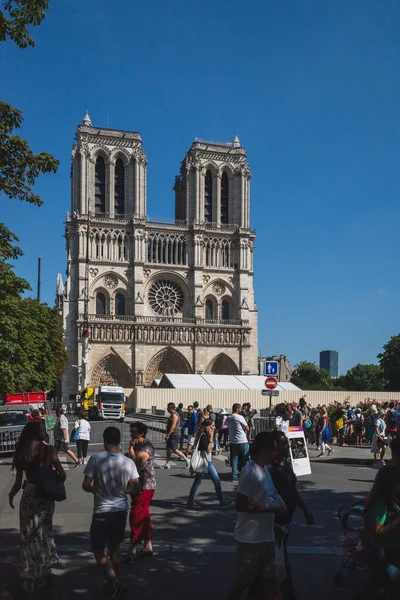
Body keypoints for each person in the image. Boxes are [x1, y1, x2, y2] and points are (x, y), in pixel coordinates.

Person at [226, 431, 287, 600]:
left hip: (266, 536)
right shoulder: (250, 472)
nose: (276, 453)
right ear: (263, 449)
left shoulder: (263, 470)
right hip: (250, 539)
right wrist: (270, 510)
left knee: (271, 580)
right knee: (243, 581)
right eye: (273, 449)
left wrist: (274, 524)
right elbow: (241, 505)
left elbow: (265, 498)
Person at [82, 426, 140, 600]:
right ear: (119, 441)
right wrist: (124, 491)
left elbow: (85, 485)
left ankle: (114, 583)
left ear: (106, 441)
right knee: (115, 548)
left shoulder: (96, 459)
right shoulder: (128, 462)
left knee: (99, 549)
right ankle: (113, 581)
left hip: (102, 510)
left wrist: (96, 489)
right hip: (121, 509)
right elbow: (135, 487)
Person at [8, 422, 65, 593]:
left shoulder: (21, 453)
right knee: (44, 533)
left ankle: (29, 577)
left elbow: (18, 483)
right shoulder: (48, 450)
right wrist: (52, 473)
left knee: (28, 536)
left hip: (29, 493)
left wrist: (11, 495)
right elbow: (62, 475)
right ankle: (47, 574)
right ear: (36, 433)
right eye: (41, 429)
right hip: (45, 497)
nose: (44, 431)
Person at [269, 431, 314, 600]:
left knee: (277, 561)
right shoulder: (270, 469)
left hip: (286, 521)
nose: (288, 446)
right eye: (284, 443)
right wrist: (272, 523)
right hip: (276, 523)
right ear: (275, 446)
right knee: (278, 562)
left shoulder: (285, 464)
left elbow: (292, 490)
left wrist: (304, 508)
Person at [365, 464, 400, 595]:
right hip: (384, 553)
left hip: (393, 550)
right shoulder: (380, 503)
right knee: (387, 585)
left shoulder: (393, 499)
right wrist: (396, 522)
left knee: (376, 585)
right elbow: (376, 532)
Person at [123, 422, 156, 561]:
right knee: (144, 516)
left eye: (134, 432)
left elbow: (136, 463)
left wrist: (130, 449)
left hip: (144, 485)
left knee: (136, 516)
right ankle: (148, 546)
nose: (132, 434)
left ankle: (132, 549)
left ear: (141, 433)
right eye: (131, 431)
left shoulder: (146, 447)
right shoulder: (138, 444)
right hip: (138, 484)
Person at [186, 419, 231, 508]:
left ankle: (221, 500)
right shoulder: (203, 436)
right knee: (198, 482)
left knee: (216, 480)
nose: (214, 428)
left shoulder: (205, 435)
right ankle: (190, 501)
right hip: (204, 462)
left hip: (208, 462)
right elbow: (208, 449)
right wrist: (211, 438)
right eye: (212, 426)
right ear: (207, 427)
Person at [226, 403, 250, 482]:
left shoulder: (228, 417)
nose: (240, 410)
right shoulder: (239, 417)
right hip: (242, 439)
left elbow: (227, 425)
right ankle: (246, 475)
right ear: (237, 409)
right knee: (245, 457)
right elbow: (247, 428)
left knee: (234, 458)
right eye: (239, 409)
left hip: (233, 440)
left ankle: (234, 475)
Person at [164, 402, 190, 469]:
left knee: (174, 449)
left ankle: (187, 460)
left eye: (168, 408)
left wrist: (168, 435)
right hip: (172, 434)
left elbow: (173, 426)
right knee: (168, 449)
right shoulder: (172, 414)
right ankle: (167, 463)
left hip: (174, 434)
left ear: (171, 408)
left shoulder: (174, 415)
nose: (167, 409)